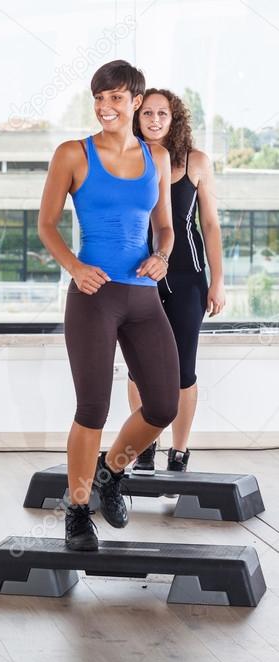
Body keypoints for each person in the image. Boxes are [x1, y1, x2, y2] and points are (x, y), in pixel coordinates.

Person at [37, 60, 178, 551]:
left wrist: (162, 255)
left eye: (116, 98)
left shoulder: (155, 157)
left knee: (163, 404)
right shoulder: (72, 155)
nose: (105, 106)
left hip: (142, 298)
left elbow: (164, 226)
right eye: (99, 97)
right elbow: (47, 225)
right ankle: (77, 512)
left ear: (136, 102)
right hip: (93, 298)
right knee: (92, 406)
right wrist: (75, 267)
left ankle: (111, 472)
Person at [128, 88, 226, 476]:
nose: (154, 119)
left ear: (174, 119)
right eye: (147, 112)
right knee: (139, 370)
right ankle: (144, 443)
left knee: (183, 369)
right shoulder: (127, 161)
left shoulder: (196, 161)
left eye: (162, 113)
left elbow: (211, 225)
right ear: (136, 118)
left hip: (187, 279)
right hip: (138, 277)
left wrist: (217, 282)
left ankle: (179, 451)